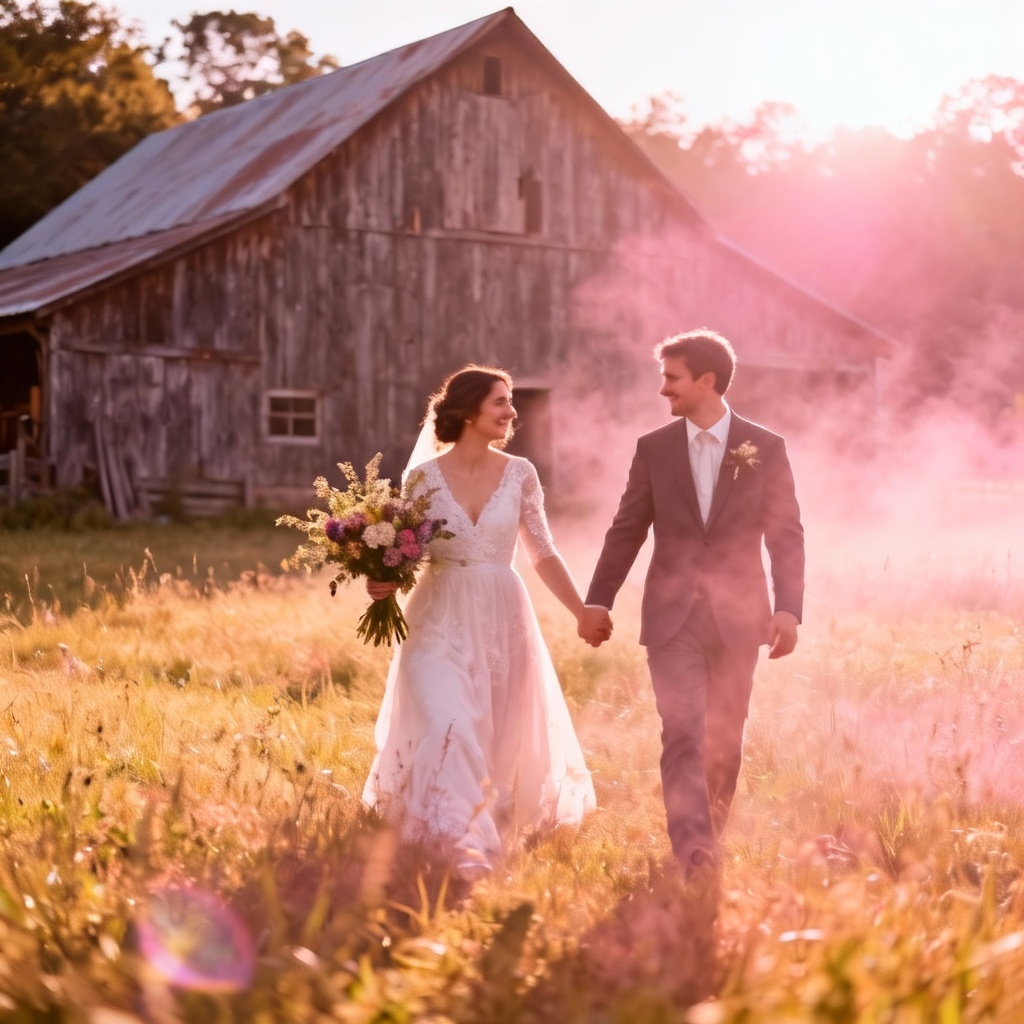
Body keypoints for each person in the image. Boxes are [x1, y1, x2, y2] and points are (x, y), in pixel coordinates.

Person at [579, 329, 804, 881]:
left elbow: (786, 533)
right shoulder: (653, 448)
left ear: (707, 380)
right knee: (682, 729)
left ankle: (711, 836)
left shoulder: (765, 446)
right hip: (671, 617)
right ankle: (694, 848)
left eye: (672, 378)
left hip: (739, 616)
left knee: (725, 736)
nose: (663, 390)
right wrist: (597, 599)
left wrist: (789, 608)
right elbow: (627, 528)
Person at [362, 365, 597, 879]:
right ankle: (459, 845)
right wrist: (380, 581)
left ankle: (479, 820)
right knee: (451, 722)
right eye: (500, 401)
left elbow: (544, 552)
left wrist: (581, 610)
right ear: (468, 410)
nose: (512, 411)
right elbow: (408, 551)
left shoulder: (521, 473)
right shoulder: (421, 477)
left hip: (501, 614)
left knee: (494, 734)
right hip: (437, 615)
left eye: (510, 401)